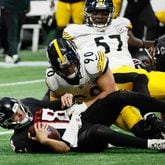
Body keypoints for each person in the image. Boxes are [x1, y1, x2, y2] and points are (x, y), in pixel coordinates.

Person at [45, 37, 165, 138]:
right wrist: (66, 102)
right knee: (144, 131)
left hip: (111, 98)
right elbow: (56, 112)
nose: (69, 69)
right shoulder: (53, 81)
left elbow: (111, 91)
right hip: (96, 113)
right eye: (63, 68)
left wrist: (83, 105)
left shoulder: (92, 62)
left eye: (71, 63)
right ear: (54, 68)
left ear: (76, 55)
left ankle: (151, 116)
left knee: (144, 125)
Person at [1, 90, 165, 153]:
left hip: (81, 120)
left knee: (119, 96)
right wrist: (45, 140)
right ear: (8, 124)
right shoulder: (19, 140)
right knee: (98, 130)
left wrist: (67, 98)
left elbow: (56, 105)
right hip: (78, 140)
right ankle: (153, 144)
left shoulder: (29, 103)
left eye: (18, 109)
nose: (20, 114)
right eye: (14, 117)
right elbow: (64, 148)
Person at [62, 0, 162, 70]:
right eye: (95, 13)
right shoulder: (75, 31)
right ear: (87, 13)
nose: (100, 17)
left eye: (104, 13)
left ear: (111, 13)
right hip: (99, 73)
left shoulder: (120, 24)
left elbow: (135, 41)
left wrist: (158, 43)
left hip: (127, 67)